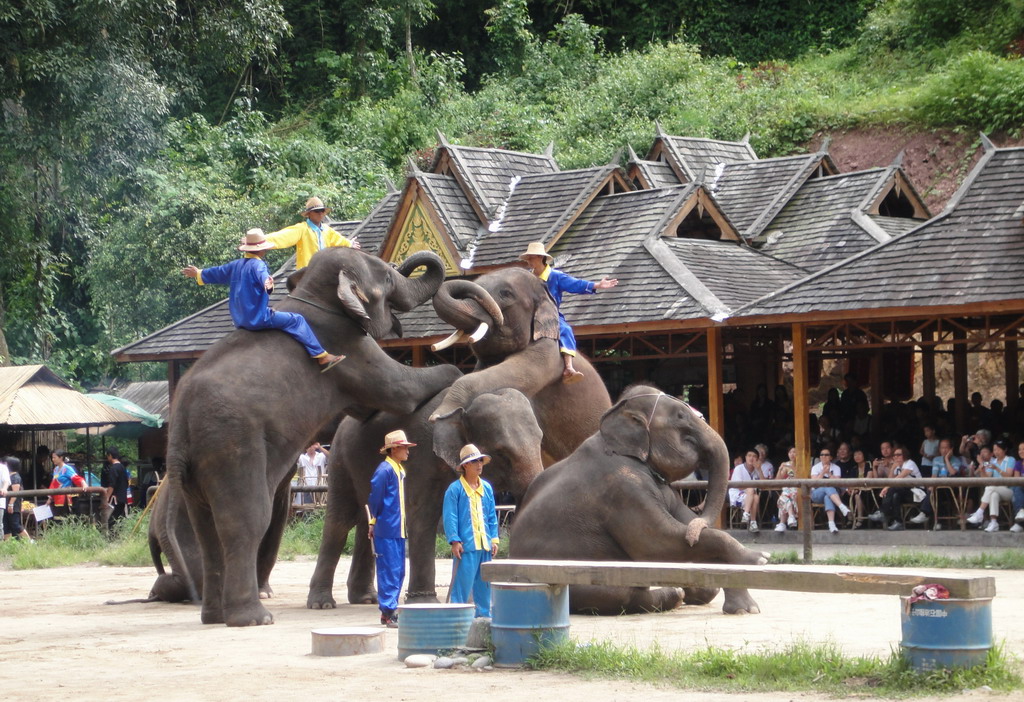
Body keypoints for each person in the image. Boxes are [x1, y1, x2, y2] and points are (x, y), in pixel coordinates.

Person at [182, 228, 343, 372]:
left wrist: (198, 273)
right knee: (296, 320)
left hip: (239, 320)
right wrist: (267, 283)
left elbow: (217, 272)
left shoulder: (236, 265)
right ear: (261, 250)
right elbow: (263, 277)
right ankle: (322, 356)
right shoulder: (258, 265)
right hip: (257, 318)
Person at [519, 241, 618, 384]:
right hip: (527, 314)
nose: (528, 261)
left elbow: (575, 284)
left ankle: (568, 367)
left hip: (550, 315)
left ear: (540, 258)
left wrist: (597, 285)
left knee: (565, 329)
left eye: (531, 258)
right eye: (527, 259)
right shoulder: (525, 278)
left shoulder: (556, 276)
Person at [443, 444, 500, 617]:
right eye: (474, 461)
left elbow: (491, 515)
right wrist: (454, 540)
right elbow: (450, 516)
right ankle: (456, 618)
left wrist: (494, 539)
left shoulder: (487, 488)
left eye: (480, 461)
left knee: (484, 585)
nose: (479, 465)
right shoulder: (455, 489)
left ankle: (483, 618)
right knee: (462, 585)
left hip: (485, 545)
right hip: (466, 546)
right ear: (465, 465)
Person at [368, 429, 417, 628]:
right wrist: (373, 521)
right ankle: (388, 611)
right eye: (404, 448)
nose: (407, 451)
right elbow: (375, 498)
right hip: (387, 528)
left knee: (398, 571)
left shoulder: (398, 469)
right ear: (394, 449)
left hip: (398, 528)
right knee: (388, 569)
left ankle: (390, 609)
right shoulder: (384, 470)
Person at [265, 196, 360, 270]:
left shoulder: (327, 230)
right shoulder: (302, 229)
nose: (320, 213)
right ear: (309, 213)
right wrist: (262, 240)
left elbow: (339, 240)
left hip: (324, 271)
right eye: (317, 211)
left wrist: (350, 243)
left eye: (322, 211)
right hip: (306, 273)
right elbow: (283, 236)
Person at [872, 446, 934, 531]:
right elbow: (890, 480)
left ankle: (882, 512)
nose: (896, 457)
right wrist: (893, 468)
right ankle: (898, 522)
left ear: (904, 455)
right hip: (905, 492)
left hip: (917, 492)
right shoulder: (897, 466)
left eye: (899, 455)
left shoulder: (909, 463)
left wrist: (886, 487)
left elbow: (900, 477)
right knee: (895, 495)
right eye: (894, 455)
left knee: (893, 488)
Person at [966, 439, 1019, 533]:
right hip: (996, 490)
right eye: (994, 450)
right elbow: (987, 479)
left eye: (998, 449)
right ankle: (994, 522)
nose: (996, 452)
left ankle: (980, 512)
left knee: (990, 488)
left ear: (1005, 450)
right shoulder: (992, 462)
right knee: (993, 494)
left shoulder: (1011, 460)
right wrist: (982, 469)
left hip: (1009, 490)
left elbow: (1009, 477)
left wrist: (997, 469)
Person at [810, 448, 851, 534]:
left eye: (826, 455)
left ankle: (831, 524)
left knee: (827, 496)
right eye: (822, 455)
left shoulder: (836, 468)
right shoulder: (815, 468)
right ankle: (841, 506)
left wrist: (829, 474)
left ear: (831, 457)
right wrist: (822, 473)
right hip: (816, 494)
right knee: (827, 486)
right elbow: (814, 484)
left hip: (832, 494)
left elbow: (837, 483)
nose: (824, 456)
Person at [46, 450, 87, 519]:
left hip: (68, 498)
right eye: (52, 458)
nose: (53, 460)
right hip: (58, 498)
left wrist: (83, 483)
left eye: (54, 457)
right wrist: (50, 498)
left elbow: (75, 477)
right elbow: (53, 484)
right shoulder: (55, 469)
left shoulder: (67, 468)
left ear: (61, 458)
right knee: (58, 518)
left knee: (69, 518)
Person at [729, 449, 762, 533]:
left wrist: (759, 470)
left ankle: (746, 516)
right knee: (752, 491)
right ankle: (752, 521)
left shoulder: (757, 470)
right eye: (749, 455)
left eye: (754, 456)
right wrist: (750, 489)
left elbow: (764, 485)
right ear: (746, 457)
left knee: (755, 497)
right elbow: (739, 487)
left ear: (757, 459)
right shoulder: (738, 468)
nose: (751, 458)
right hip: (737, 494)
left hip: (750, 496)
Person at [2, 456, 30, 540]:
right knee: (6, 524)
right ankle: (8, 544)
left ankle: (29, 541)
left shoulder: (15, 477)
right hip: (6, 504)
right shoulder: (9, 476)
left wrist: (10, 504)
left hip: (13, 504)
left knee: (15, 524)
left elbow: (15, 493)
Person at [101, 448, 130, 528]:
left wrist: (106, 497)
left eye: (107, 456)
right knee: (119, 519)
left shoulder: (113, 468)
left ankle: (111, 538)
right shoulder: (122, 467)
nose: (107, 459)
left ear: (110, 456)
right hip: (122, 498)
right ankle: (117, 537)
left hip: (115, 499)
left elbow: (112, 485)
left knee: (111, 520)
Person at [774, 447, 799, 532]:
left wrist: (793, 468)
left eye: (794, 452)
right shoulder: (786, 465)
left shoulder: (802, 464)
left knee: (783, 497)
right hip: (787, 490)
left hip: (798, 489)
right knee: (784, 497)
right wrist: (780, 469)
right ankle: (791, 516)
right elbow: (778, 481)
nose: (792, 454)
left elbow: (799, 479)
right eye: (790, 452)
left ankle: (782, 523)